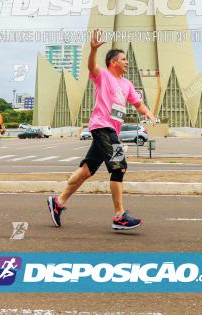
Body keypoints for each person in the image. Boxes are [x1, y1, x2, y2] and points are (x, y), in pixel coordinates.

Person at [47, 29, 156, 230]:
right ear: (113, 62)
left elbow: (138, 103)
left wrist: (148, 114)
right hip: (102, 127)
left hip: (111, 130)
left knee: (86, 171)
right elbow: (91, 66)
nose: (127, 62)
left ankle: (58, 202)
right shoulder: (103, 76)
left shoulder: (127, 84)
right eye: (123, 59)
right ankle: (119, 216)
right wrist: (93, 50)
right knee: (119, 165)